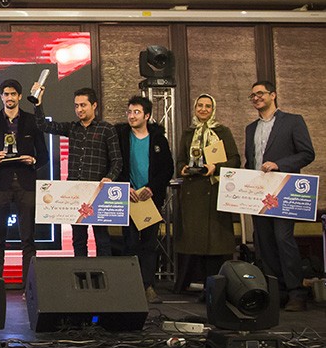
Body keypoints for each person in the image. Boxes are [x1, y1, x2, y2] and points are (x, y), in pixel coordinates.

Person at [245, 81, 315, 312]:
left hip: (284, 191)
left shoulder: (293, 121)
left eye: (260, 93)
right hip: (259, 194)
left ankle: (297, 293)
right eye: (253, 95)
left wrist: (279, 164)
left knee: (283, 239)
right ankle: (278, 292)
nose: (256, 98)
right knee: (264, 242)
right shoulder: (250, 128)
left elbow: (307, 153)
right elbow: (250, 162)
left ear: (273, 95)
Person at [31, 83, 122, 257]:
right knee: (78, 240)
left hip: (98, 192)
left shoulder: (107, 129)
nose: (79, 109)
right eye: (76, 106)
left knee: (102, 239)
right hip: (75, 193)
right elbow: (43, 125)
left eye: (83, 105)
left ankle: (104, 274)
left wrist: (110, 178)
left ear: (94, 105)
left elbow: (117, 161)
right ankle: (81, 273)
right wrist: (38, 103)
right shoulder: (72, 128)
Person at [0, 79, 48, 285]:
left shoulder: (32, 121)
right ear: (1, 97)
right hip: (0, 184)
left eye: (13, 94)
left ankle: (29, 287)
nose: (9, 98)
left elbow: (44, 155)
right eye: (6, 94)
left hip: (26, 183)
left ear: (19, 96)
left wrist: (33, 160)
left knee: (28, 239)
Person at [174, 94, 240, 297]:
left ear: (213, 109)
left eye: (208, 106)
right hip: (192, 193)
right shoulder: (188, 133)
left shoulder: (222, 132)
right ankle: (195, 284)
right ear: (195, 108)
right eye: (200, 106)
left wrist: (215, 167)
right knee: (194, 240)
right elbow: (180, 160)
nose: (203, 109)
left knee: (215, 242)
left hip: (216, 191)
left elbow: (235, 160)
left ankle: (216, 287)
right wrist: (183, 169)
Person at [115, 96, 173, 304]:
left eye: (136, 112)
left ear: (147, 116)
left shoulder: (158, 140)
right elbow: (115, 165)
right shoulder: (121, 137)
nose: (132, 116)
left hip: (150, 199)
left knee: (149, 244)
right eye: (129, 112)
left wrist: (151, 188)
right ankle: (129, 286)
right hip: (128, 198)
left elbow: (168, 169)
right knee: (129, 243)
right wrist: (126, 186)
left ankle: (148, 286)